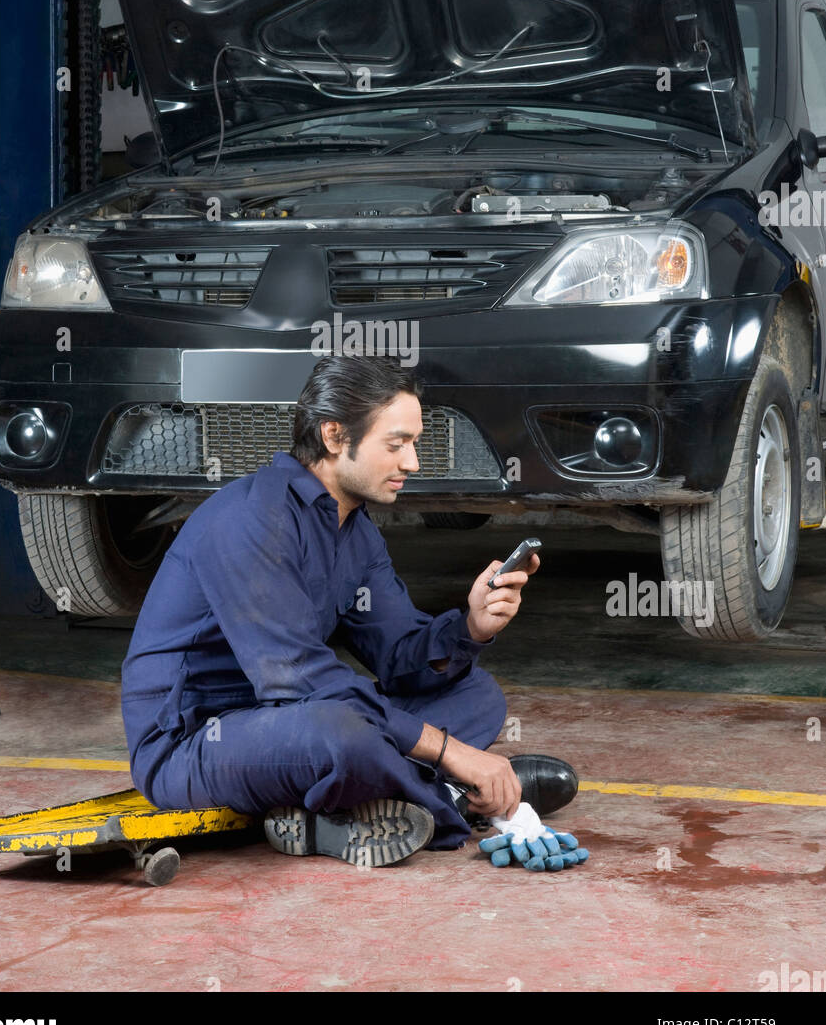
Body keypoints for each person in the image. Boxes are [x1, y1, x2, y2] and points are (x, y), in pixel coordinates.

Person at [121, 354, 577, 867]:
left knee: (477, 696)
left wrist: (471, 626)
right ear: (335, 436)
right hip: (196, 742)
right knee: (339, 732)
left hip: (289, 718)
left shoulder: (355, 531)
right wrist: (455, 754)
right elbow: (299, 681)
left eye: (414, 444)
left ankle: (348, 810)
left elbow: (400, 657)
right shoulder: (253, 519)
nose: (413, 463)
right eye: (396, 443)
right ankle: (451, 798)